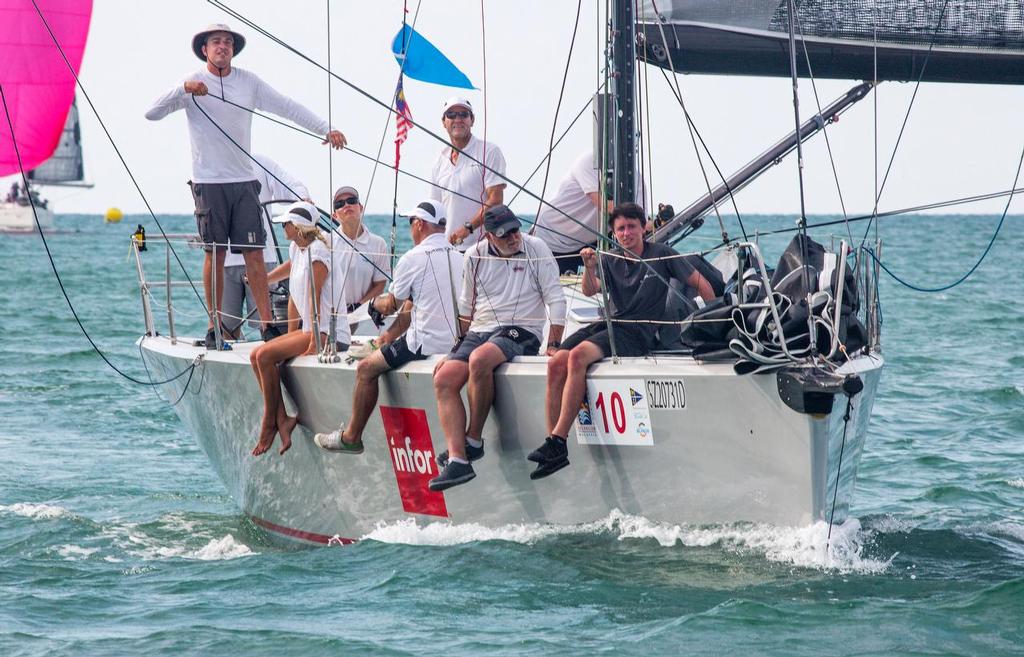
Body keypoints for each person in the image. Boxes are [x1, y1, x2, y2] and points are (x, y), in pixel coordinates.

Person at [144, 23, 346, 349]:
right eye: (216, 42)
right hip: (209, 182)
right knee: (216, 253)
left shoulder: (248, 82)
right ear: (205, 49)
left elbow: (287, 106)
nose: (222, 46)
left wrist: (326, 128)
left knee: (254, 253)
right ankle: (215, 327)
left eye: (227, 42)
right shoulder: (194, 83)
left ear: (233, 50)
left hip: (243, 181)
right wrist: (183, 88)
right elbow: (151, 113)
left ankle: (267, 326)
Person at [526, 202, 718, 480]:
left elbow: (702, 283)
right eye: (620, 229)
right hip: (612, 324)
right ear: (614, 234)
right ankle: (552, 444)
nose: (626, 233)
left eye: (631, 227)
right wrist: (590, 267)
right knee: (557, 360)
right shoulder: (609, 258)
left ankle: (558, 440)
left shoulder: (661, 254)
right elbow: (591, 291)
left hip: (639, 331)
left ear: (643, 228)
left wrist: (712, 323)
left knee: (577, 357)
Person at [429, 205, 566, 491]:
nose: (514, 238)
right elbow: (466, 307)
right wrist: (456, 348)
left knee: (480, 359)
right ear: (490, 236)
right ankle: (458, 460)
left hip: (523, 329)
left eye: (516, 230)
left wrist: (553, 343)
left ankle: (474, 440)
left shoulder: (536, 248)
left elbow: (556, 298)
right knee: (443, 377)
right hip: (481, 329)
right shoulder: (474, 255)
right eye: (505, 235)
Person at [313, 199, 463, 453]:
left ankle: (351, 436)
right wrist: (387, 337)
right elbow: (410, 306)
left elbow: (392, 305)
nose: (409, 229)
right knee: (388, 343)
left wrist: (373, 304)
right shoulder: (461, 256)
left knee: (365, 369)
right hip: (458, 344)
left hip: (424, 345)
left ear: (420, 224)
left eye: (410, 223)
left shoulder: (412, 258)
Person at [249, 202, 350, 457]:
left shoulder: (318, 252)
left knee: (263, 356)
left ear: (296, 226)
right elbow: (294, 289)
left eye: (285, 223)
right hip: (309, 329)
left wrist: (314, 342)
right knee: (256, 355)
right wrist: (263, 279)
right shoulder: (298, 248)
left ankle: (268, 422)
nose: (282, 227)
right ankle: (281, 419)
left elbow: (314, 297)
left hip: (327, 333)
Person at [221, 153, 310, 338]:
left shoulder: (260, 162)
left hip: (261, 258)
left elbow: (290, 185)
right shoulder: (216, 165)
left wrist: (303, 199)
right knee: (226, 328)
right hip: (225, 261)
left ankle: (274, 359)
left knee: (270, 325)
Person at [429, 97, 506, 252]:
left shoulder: (489, 151)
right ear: (444, 122)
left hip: (483, 247)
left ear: (472, 120)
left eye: (464, 114)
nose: (458, 119)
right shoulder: (439, 159)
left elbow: (496, 199)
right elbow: (434, 207)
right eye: (451, 115)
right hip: (448, 248)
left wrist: (468, 228)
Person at [531, 151, 610, 273]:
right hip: (553, 238)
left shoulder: (635, 176)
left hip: (590, 241)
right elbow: (602, 204)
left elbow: (637, 217)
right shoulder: (588, 161)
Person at [329, 185, 391, 331]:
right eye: (340, 204)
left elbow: (380, 284)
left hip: (364, 314)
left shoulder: (378, 244)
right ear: (334, 215)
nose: (347, 205)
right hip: (333, 316)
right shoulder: (327, 243)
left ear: (360, 207)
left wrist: (358, 308)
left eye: (351, 200)